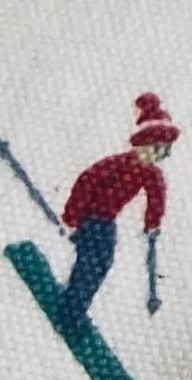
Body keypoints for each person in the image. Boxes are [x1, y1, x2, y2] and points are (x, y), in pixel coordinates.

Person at [57, 92, 178, 337]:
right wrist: (73, 216)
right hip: (91, 220)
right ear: (144, 145)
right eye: (159, 149)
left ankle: (75, 310)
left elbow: (156, 196)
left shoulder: (150, 173)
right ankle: (70, 314)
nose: (160, 156)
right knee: (90, 266)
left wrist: (152, 223)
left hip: (106, 222)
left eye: (165, 152)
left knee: (100, 264)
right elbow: (86, 181)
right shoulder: (118, 163)